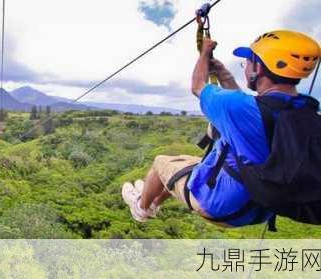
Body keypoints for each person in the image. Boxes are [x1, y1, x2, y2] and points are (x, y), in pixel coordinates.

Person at [121, 29, 320, 226]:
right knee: (190, 162)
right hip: (261, 207)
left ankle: (142, 207)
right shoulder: (303, 110)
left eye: (248, 62)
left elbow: (198, 86)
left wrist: (205, 52)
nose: (246, 67)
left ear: (258, 68)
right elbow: (251, 110)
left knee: (160, 162)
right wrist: (224, 75)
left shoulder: (240, 107)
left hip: (222, 205)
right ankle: (155, 199)